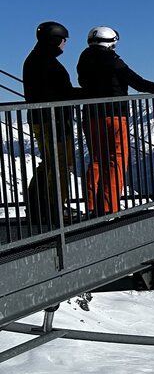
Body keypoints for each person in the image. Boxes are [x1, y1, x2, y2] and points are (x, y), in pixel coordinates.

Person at [76, 26, 154, 217]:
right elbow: (139, 83)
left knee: (97, 160)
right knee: (116, 161)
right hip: (114, 116)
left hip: (90, 116)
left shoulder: (84, 58)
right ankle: (110, 208)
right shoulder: (113, 61)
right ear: (111, 42)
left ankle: (92, 205)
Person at [21, 20, 83, 228]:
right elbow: (61, 92)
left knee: (49, 163)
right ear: (55, 39)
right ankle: (53, 208)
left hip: (42, 118)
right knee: (60, 165)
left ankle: (38, 206)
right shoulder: (47, 62)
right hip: (53, 120)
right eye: (64, 40)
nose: (65, 44)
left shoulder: (35, 59)